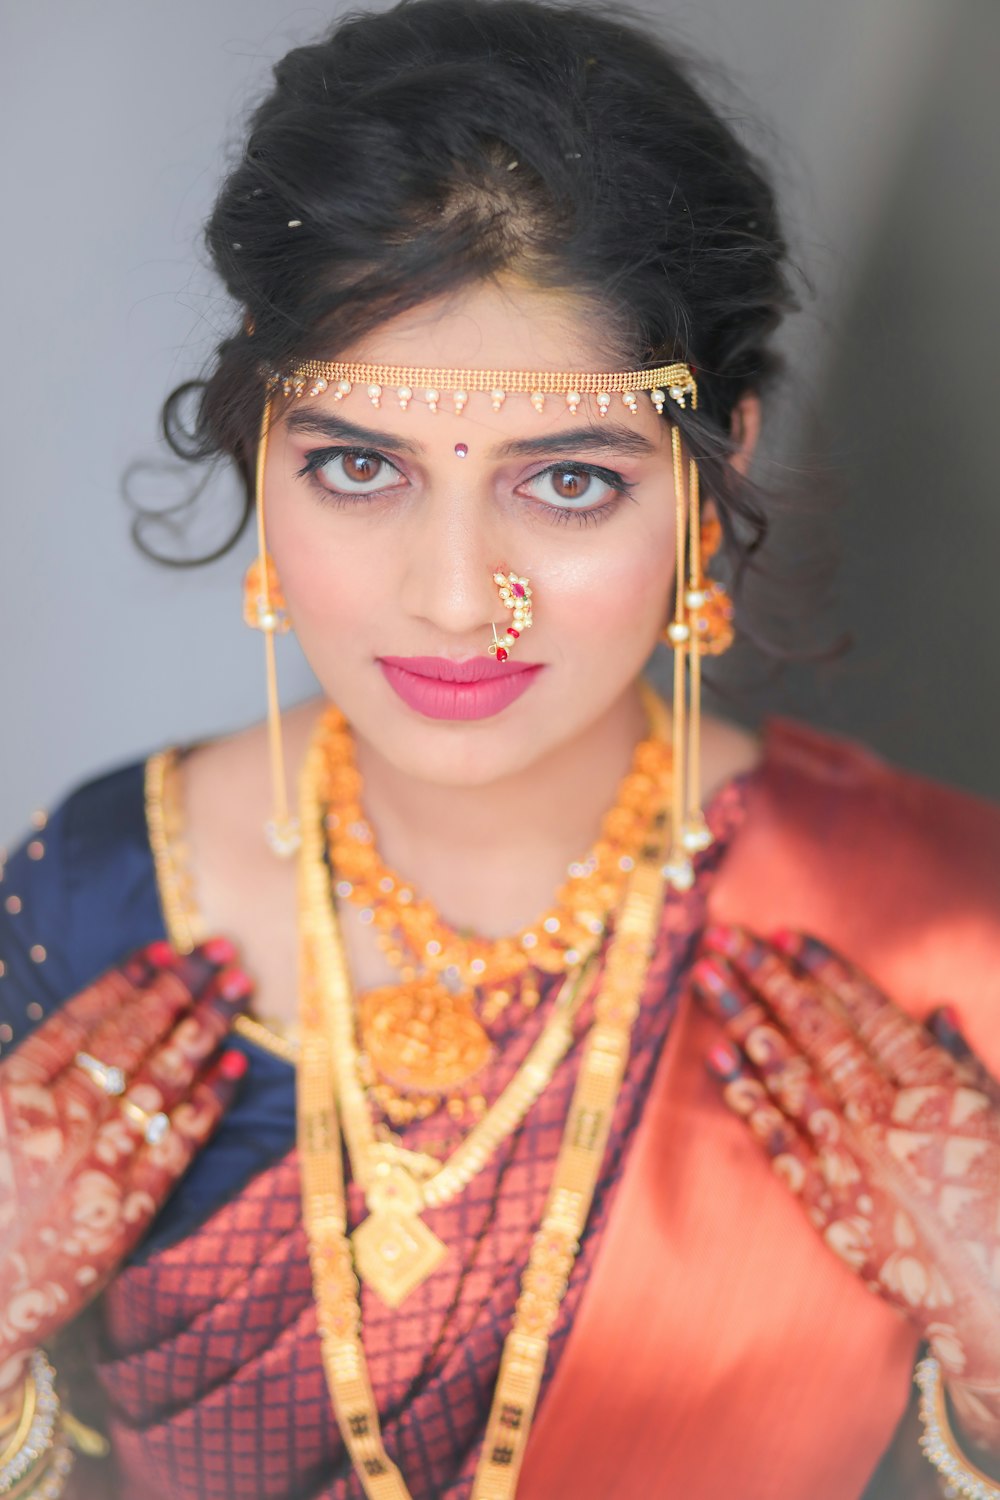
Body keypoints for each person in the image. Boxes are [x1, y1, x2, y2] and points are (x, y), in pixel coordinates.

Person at [1, 2, 998, 1497]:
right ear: (253, 453)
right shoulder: (96, 900)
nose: (457, 595)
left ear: (709, 468)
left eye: (572, 483)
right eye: (356, 466)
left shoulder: (930, 934)